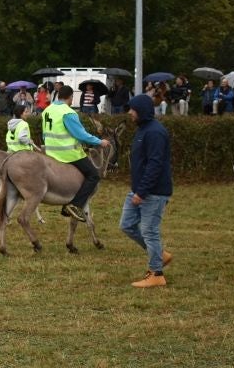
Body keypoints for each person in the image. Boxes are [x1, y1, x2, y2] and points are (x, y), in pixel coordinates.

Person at [120, 94, 173, 288]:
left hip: (153, 192)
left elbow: (155, 165)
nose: (129, 113)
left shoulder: (155, 133)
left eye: (132, 109)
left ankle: (156, 274)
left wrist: (141, 192)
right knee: (126, 225)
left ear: (141, 110)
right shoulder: (143, 130)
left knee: (149, 231)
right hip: (139, 189)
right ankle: (159, 255)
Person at [40, 85, 110, 222]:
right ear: (71, 97)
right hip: (67, 154)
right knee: (93, 175)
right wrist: (99, 142)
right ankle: (75, 205)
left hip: (50, 152)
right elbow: (81, 134)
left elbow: (44, 134)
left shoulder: (47, 110)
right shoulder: (68, 112)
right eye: (72, 98)